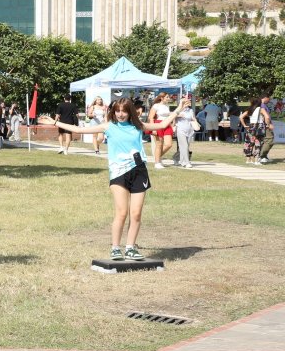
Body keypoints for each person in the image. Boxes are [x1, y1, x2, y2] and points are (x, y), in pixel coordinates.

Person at [39, 97, 187, 260]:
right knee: (122, 212)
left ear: (130, 112)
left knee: (136, 213)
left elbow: (162, 125)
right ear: (113, 112)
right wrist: (55, 123)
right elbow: (79, 130)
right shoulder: (108, 126)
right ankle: (116, 248)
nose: (121, 114)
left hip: (139, 171)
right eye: (117, 111)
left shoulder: (138, 126)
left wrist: (178, 109)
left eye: (124, 111)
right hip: (118, 173)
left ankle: (130, 248)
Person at [146, 92, 176, 170]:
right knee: (159, 144)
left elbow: (169, 116)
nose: (168, 98)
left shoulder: (166, 106)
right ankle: (157, 162)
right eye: (167, 97)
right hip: (158, 124)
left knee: (169, 144)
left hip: (167, 125)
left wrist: (172, 124)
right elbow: (151, 117)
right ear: (161, 98)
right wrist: (153, 128)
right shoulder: (156, 105)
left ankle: (157, 158)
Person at [241, 99, 269, 165]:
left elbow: (241, 117)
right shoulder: (261, 109)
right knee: (258, 143)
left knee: (249, 143)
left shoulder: (250, 109)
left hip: (251, 126)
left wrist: (245, 125)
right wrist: (267, 125)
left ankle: (248, 160)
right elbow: (267, 117)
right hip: (259, 127)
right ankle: (256, 160)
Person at [259, 95, 275, 164]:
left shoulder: (263, 105)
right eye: (269, 99)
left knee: (267, 141)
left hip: (265, 126)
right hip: (266, 126)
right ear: (265, 98)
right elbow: (266, 117)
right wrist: (268, 125)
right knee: (269, 140)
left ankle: (264, 156)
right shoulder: (262, 106)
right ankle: (261, 156)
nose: (269, 100)